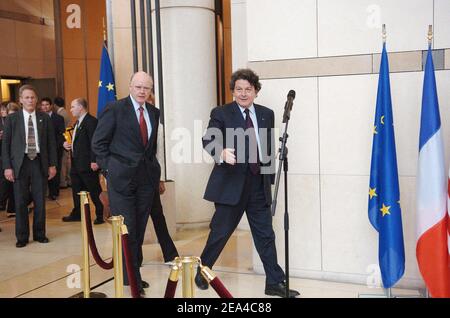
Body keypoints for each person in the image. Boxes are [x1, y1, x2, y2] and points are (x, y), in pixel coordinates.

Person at [195, 69, 300, 298]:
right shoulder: (221, 113)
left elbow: (269, 149)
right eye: (239, 89)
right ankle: (202, 272)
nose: (243, 93)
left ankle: (274, 282)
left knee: (265, 235)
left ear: (256, 91)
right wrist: (221, 152)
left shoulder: (267, 114)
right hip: (230, 184)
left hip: (258, 185)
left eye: (248, 89)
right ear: (233, 91)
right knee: (220, 233)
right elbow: (208, 138)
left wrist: (269, 182)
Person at [92, 72, 161, 295]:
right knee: (128, 229)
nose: (142, 91)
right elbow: (98, 143)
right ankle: (134, 280)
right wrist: (109, 169)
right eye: (138, 86)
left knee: (139, 229)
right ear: (130, 86)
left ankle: (129, 274)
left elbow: (149, 148)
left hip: (146, 181)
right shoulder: (115, 109)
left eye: (147, 88)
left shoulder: (153, 112)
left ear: (151, 91)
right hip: (121, 180)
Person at [2, 85, 57, 248]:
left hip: (39, 162)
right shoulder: (12, 119)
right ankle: (22, 236)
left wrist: (52, 165)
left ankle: (40, 234)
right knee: (20, 202)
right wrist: (7, 167)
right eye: (26, 97)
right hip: (20, 163)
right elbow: (6, 145)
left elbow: (51, 143)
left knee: (40, 200)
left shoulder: (44, 118)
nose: (30, 100)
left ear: (36, 99)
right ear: (20, 100)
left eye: (32, 97)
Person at [146, 92, 179, 264]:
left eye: (150, 101)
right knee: (136, 220)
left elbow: (160, 153)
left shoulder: (158, 124)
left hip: (151, 178)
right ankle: (133, 258)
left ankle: (170, 254)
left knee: (158, 215)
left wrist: (161, 178)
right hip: (133, 179)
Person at [61, 98, 104, 224]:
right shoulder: (78, 122)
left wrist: (95, 160)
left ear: (81, 107)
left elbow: (94, 143)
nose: (71, 109)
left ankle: (101, 214)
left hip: (88, 164)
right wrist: (67, 144)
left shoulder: (91, 122)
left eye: (73, 106)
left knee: (94, 190)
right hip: (76, 164)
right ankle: (77, 214)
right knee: (77, 191)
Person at [40, 97, 65, 200]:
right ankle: (43, 192)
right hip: (42, 151)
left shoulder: (58, 118)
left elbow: (61, 134)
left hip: (56, 149)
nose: (45, 107)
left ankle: (54, 192)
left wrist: (55, 147)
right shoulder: (38, 117)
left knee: (55, 170)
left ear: (51, 106)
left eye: (47, 104)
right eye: (43, 105)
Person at [0, 103, 20, 217]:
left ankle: (13, 208)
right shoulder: (4, 123)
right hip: (4, 159)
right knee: (4, 186)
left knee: (14, 186)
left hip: (16, 159)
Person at [54, 96, 72, 189]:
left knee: (64, 162)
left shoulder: (61, 114)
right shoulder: (64, 112)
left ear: (55, 105)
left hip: (65, 140)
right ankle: (68, 180)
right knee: (67, 162)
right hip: (67, 139)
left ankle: (64, 182)